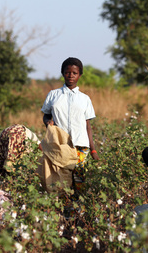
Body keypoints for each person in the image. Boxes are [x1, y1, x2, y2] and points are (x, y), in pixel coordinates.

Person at [41, 57, 99, 196]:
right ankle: (65, 212)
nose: (71, 76)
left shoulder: (84, 98)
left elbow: (87, 125)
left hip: (80, 145)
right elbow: (46, 115)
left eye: (74, 73)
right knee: (61, 180)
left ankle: (78, 212)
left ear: (79, 75)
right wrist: (48, 122)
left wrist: (93, 150)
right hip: (60, 144)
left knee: (79, 180)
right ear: (63, 73)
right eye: (68, 72)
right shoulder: (53, 95)